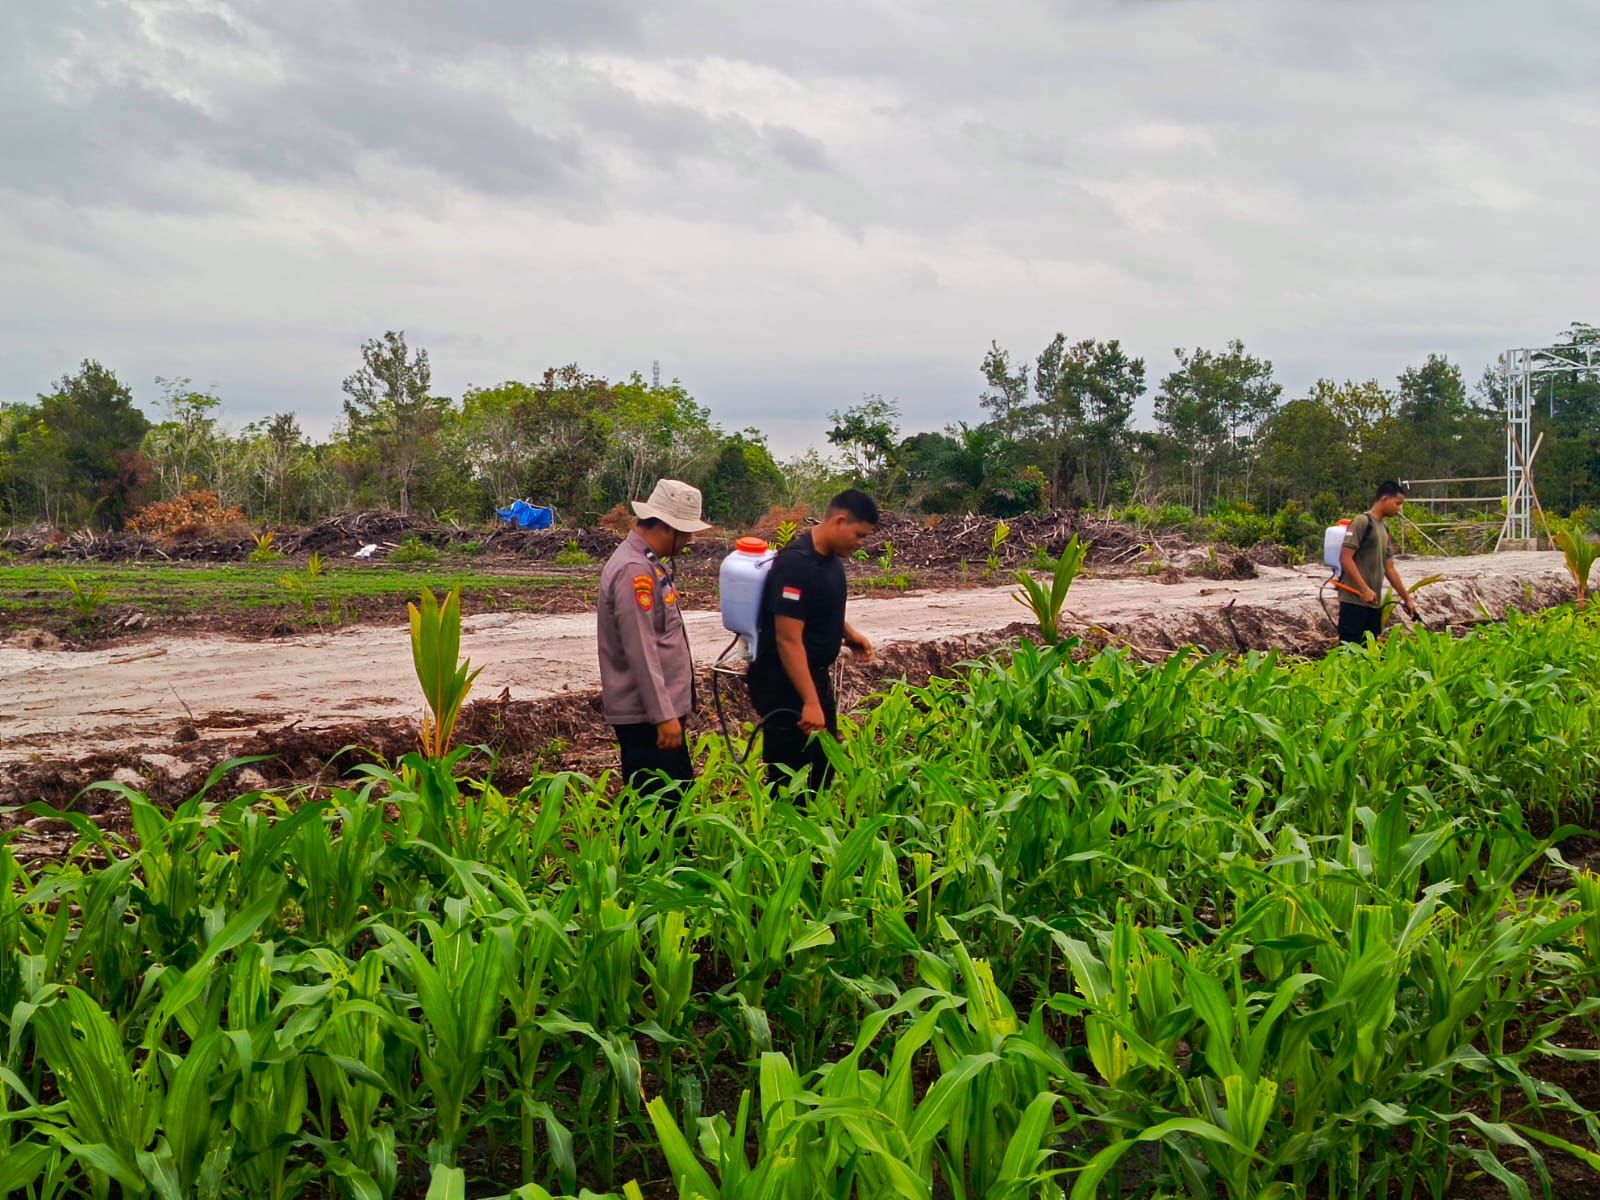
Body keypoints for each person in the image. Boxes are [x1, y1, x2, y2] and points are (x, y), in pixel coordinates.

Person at [746, 488, 879, 793]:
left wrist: (848, 633)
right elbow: (787, 640)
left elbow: (815, 607)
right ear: (840, 520)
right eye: (858, 535)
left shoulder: (828, 560)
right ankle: (786, 834)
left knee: (823, 762)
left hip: (812, 677)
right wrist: (809, 701)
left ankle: (809, 832)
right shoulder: (795, 565)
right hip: (785, 685)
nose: (860, 544)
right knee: (792, 773)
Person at [597, 479, 709, 798]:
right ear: (664, 526)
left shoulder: (648, 563)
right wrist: (663, 716)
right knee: (658, 811)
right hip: (648, 720)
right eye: (685, 532)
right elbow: (641, 649)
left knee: (673, 804)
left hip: (658, 715)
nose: (688, 540)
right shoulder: (635, 570)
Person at [1337, 480, 1419, 644]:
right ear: (1385, 499)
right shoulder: (1362, 522)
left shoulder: (1384, 529)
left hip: (1373, 603)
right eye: (1397, 503)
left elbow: (1390, 569)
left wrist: (1407, 599)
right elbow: (1345, 558)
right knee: (1348, 652)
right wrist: (1364, 589)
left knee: (1370, 651)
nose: (1399, 508)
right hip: (1354, 601)